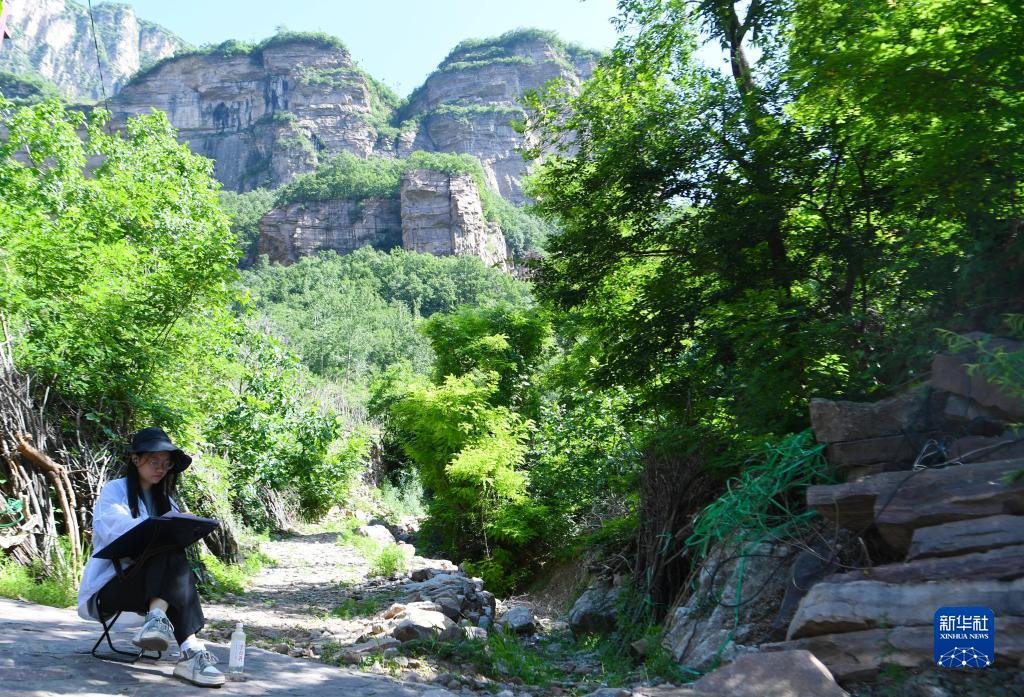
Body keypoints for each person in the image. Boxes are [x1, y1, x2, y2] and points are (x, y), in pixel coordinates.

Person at [77, 427, 225, 687]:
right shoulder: (115, 491)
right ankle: (185, 647)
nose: (161, 468)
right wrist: (160, 525)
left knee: (173, 550)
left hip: (152, 590)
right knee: (167, 545)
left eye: (166, 463)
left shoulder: (166, 501)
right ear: (136, 459)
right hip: (114, 587)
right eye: (154, 460)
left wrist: (182, 523)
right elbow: (113, 529)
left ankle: (174, 636)